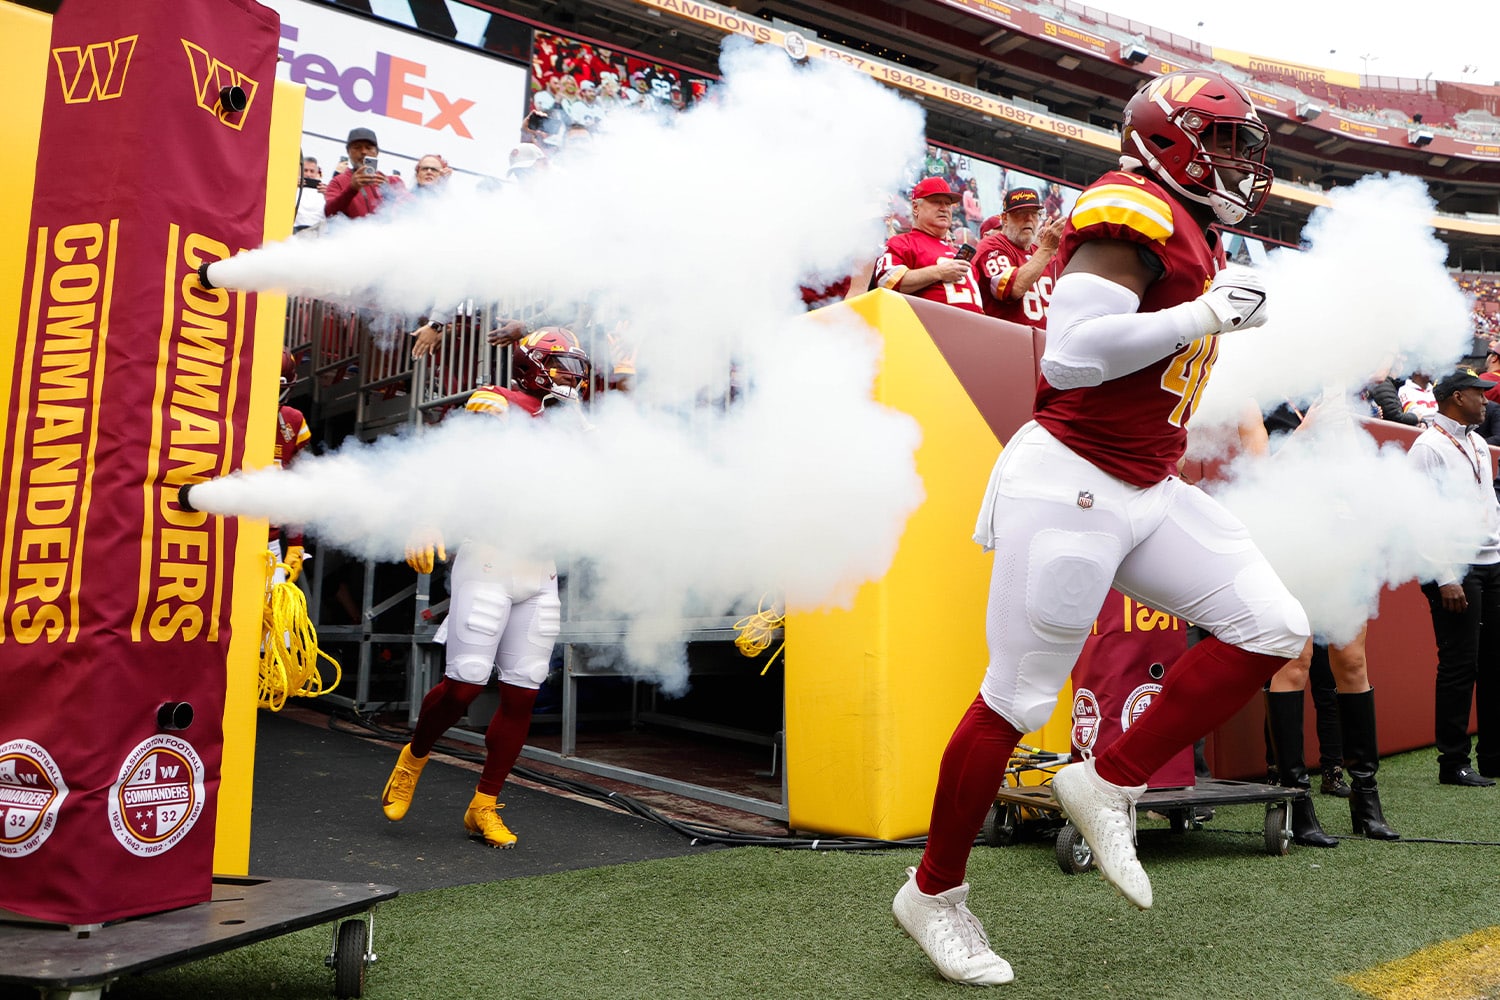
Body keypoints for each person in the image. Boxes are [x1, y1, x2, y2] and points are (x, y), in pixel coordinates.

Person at [892, 71, 1308, 987]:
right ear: (1172, 139)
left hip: (1145, 483)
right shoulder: (1132, 205)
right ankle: (933, 895)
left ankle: (1107, 779)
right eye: (1228, 141)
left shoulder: (1189, 216)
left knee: (1273, 626)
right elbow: (1075, 357)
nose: (1245, 162)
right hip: (1072, 480)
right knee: (1014, 698)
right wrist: (1206, 315)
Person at [381, 329, 593, 847]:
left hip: (541, 570)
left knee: (522, 692)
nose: (574, 375)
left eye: (577, 365)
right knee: (466, 684)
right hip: (490, 559)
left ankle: (484, 805)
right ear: (534, 364)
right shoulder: (497, 403)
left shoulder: (574, 424)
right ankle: (414, 757)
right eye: (563, 364)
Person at [1407, 368, 1500, 788]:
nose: (1486, 401)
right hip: (1455, 568)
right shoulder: (1427, 446)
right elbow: (1418, 516)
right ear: (1457, 396)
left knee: (1494, 664)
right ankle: (1453, 762)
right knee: (1460, 665)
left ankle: (1493, 757)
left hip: (1491, 563)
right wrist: (1444, 576)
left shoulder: (1478, 441)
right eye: (1479, 394)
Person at [872, 177, 985, 314]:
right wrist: (939, 272)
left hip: (973, 330)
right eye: (936, 202)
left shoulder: (958, 252)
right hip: (927, 330)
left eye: (948, 204)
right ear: (915, 207)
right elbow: (887, 281)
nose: (944, 209)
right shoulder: (901, 243)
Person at [971, 188, 1065, 327]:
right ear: (1005, 218)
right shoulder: (991, 246)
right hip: (1008, 340)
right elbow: (1012, 289)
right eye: (1021, 213)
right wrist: (1047, 249)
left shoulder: (1040, 252)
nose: (1029, 219)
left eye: (1034, 213)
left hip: (1044, 343)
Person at [270, 351, 311, 586]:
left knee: (274, 616)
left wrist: (296, 542)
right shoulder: (227, 412)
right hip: (219, 533)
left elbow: (296, 486)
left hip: (268, 541)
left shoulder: (293, 421)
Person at [323, 126, 407, 221]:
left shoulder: (393, 181)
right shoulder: (338, 182)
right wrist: (351, 189)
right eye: (357, 147)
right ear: (348, 152)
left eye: (368, 147)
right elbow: (329, 213)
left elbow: (410, 210)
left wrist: (390, 192)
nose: (363, 152)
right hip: (351, 234)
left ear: (377, 152)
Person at [293, 157, 327, 233]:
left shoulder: (324, 190)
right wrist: (292, 187)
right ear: (299, 171)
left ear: (317, 173)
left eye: (312, 171)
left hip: (316, 231)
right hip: (295, 229)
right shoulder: (291, 188)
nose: (308, 174)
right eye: (305, 170)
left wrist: (328, 194)